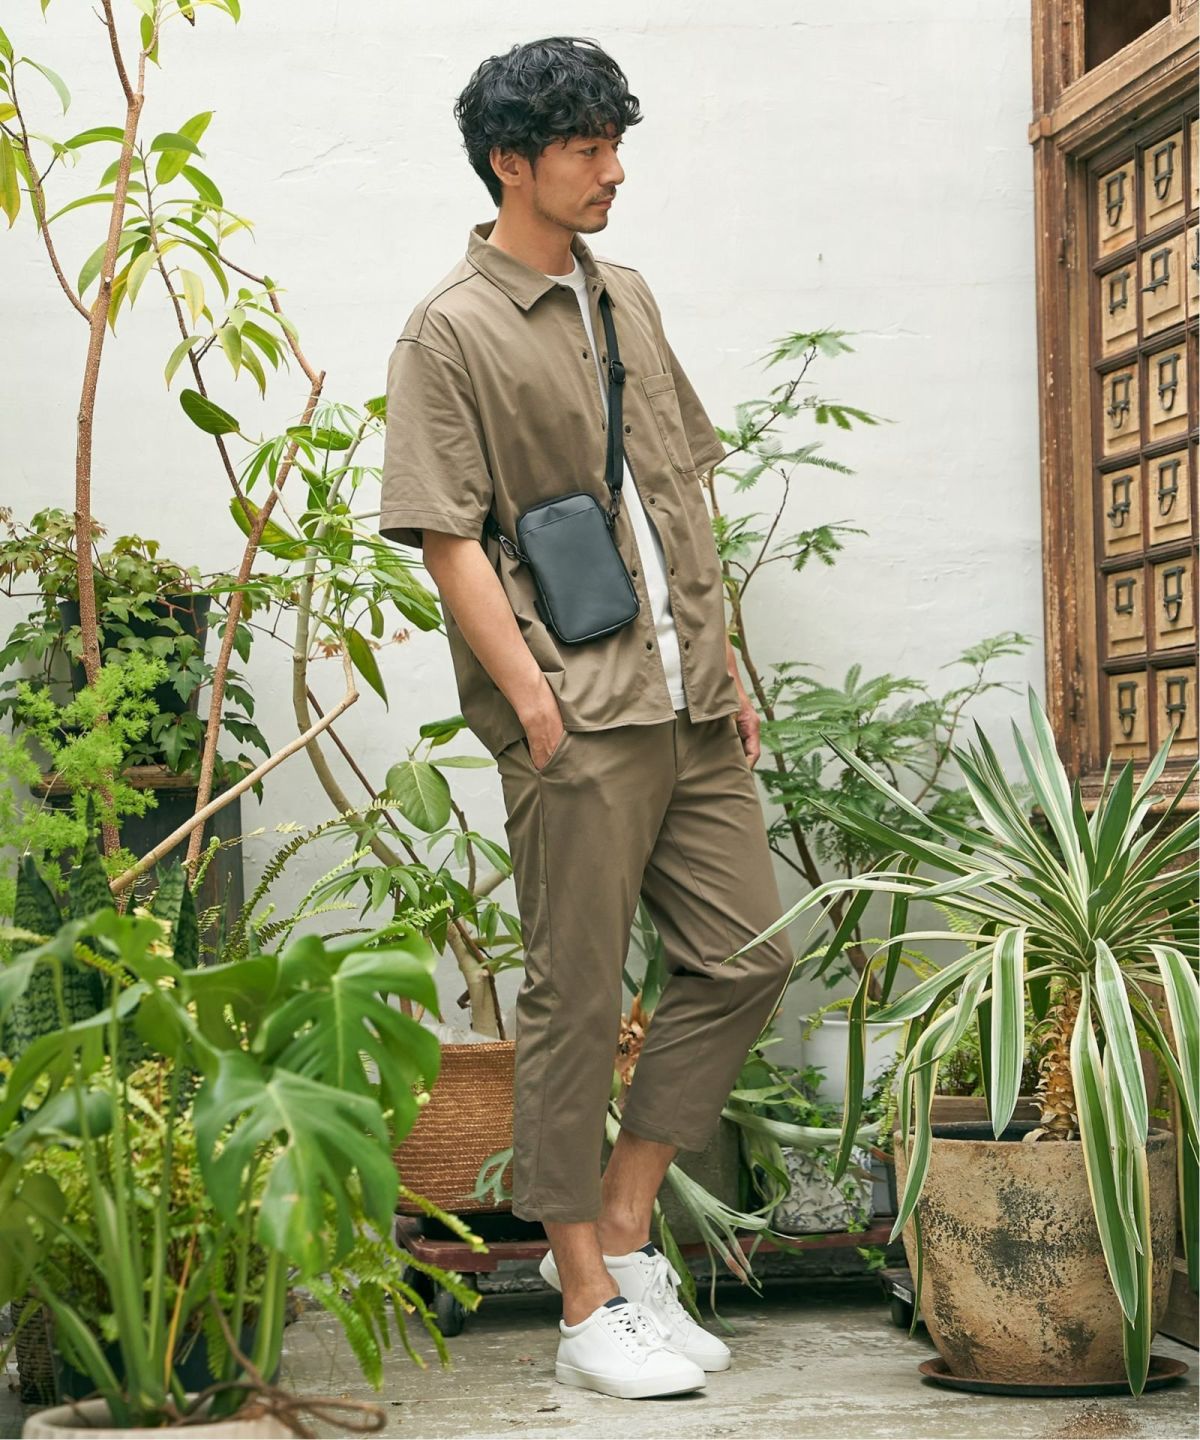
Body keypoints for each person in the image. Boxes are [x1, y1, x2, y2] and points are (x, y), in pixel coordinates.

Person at [380, 35, 795, 1402]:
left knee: (747, 956)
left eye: (617, 144)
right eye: (587, 149)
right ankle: (580, 1296)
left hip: (688, 700)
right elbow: (447, 538)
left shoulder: (629, 298)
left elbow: (680, 491)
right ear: (513, 162)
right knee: (574, 996)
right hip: (580, 712)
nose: (614, 171)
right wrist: (533, 703)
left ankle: (623, 1224)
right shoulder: (449, 330)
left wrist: (726, 664)